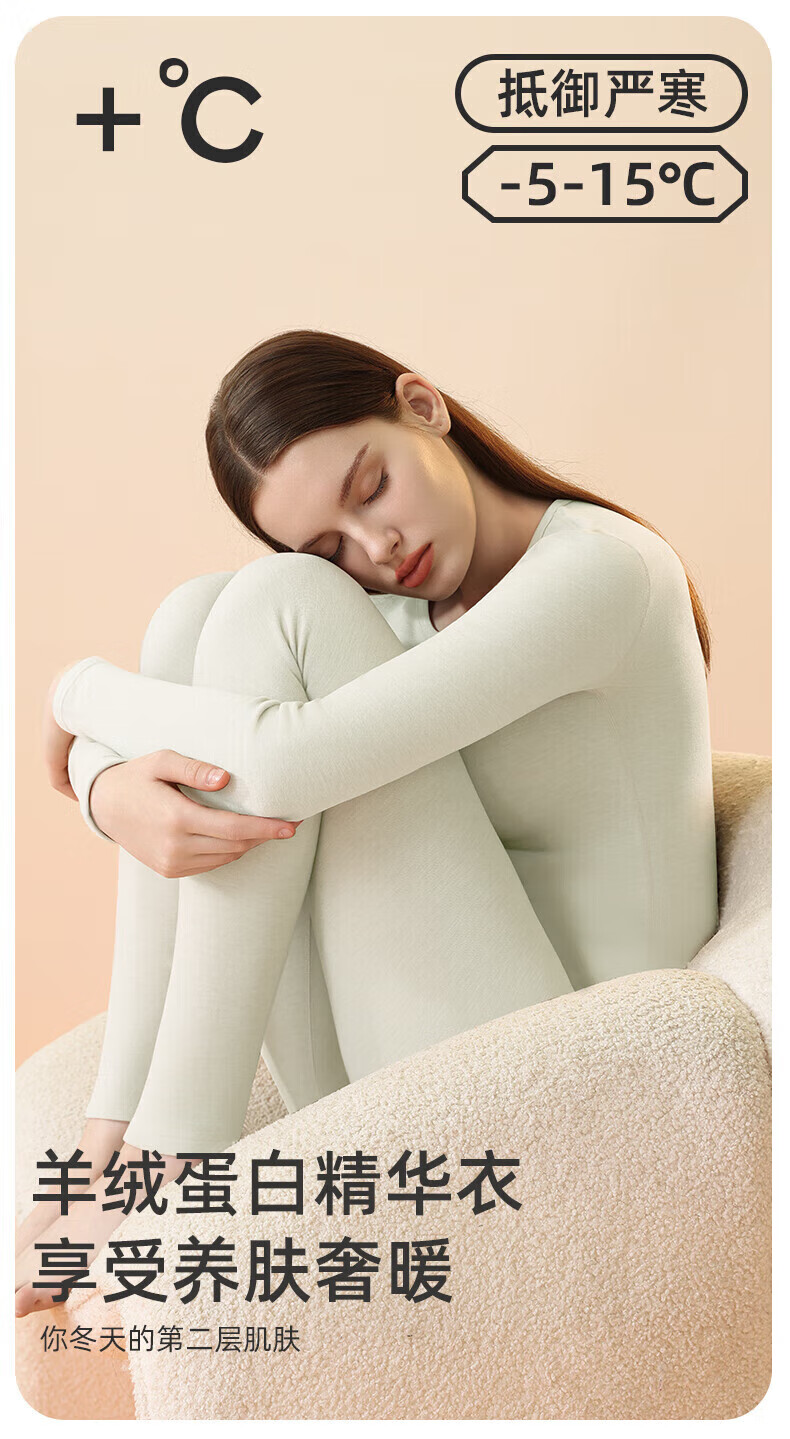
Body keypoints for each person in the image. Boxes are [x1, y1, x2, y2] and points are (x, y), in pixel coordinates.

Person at [16, 329, 719, 1316]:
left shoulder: (602, 571)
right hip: (409, 1054)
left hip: (578, 1080)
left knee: (276, 605)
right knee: (192, 616)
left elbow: (285, 758)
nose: (377, 548)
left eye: (372, 487)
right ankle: (111, 1139)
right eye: (331, 546)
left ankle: (175, 1151)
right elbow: (244, 753)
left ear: (423, 407)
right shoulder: (398, 614)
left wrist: (77, 692)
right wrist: (102, 786)